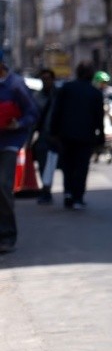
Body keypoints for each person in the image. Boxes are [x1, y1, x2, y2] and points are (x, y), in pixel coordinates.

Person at [49, 61, 105, 210]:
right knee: (81, 167)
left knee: (68, 166)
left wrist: (53, 132)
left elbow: (56, 112)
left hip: (66, 135)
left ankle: (68, 193)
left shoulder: (67, 88)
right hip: (85, 136)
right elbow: (99, 118)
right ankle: (78, 197)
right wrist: (101, 137)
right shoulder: (95, 93)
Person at [0, 59, 39, 253]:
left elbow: (32, 113)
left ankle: (7, 234)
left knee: (4, 186)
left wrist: (18, 123)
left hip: (9, 143)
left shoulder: (15, 85)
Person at [31, 68, 59, 204]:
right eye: (43, 78)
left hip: (59, 135)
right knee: (43, 163)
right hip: (44, 135)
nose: (46, 81)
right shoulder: (37, 97)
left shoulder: (60, 95)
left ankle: (70, 193)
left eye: (48, 78)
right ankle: (46, 190)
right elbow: (32, 119)